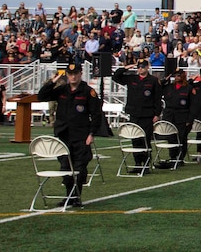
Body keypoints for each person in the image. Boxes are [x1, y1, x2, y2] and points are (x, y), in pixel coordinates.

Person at [37, 63, 104, 207]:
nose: (73, 76)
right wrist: (52, 81)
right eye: (70, 74)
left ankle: (76, 196)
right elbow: (41, 96)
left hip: (81, 135)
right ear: (67, 75)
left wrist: (92, 133)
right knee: (65, 166)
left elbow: (96, 114)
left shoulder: (88, 91)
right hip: (64, 134)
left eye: (76, 74)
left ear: (80, 74)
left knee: (80, 167)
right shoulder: (62, 90)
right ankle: (68, 195)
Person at [111, 60, 161, 173]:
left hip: (147, 115)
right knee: (135, 140)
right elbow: (116, 77)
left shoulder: (153, 81)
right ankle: (138, 164)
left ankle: (146, 164)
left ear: (147, 67)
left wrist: (157, 114)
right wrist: (126, 67)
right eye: (139, 67)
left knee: (145, 140)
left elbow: (157, 99)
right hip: (134, 114)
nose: (140, 69)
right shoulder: (132, 78)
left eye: (143, 67)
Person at [159, 68, 193, 167]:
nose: (177, 77)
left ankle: (180, 157)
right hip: (169, 115)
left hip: (182, 116)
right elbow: (158, 87)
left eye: (179, 75)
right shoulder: (169, 87)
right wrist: (165, 79)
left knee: (181, 138)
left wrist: (190, 119)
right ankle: (173, 157)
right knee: (171, 137)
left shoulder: (188, 88)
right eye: (175, 75)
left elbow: (193, 105)